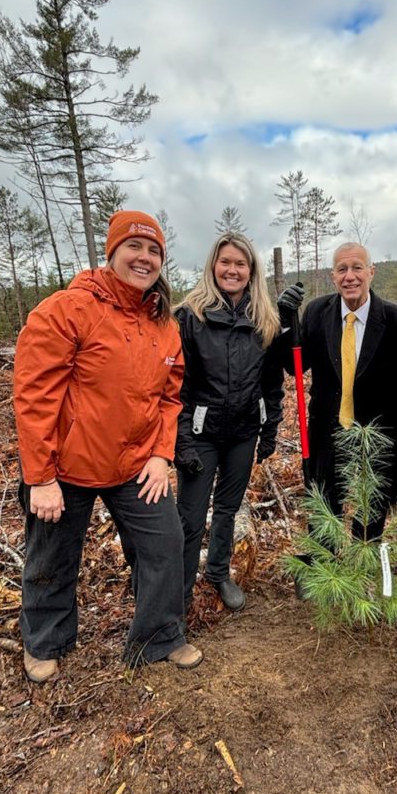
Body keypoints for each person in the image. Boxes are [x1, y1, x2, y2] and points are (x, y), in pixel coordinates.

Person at [13, 210, 202, 684]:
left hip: (136, 464)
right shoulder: (66, 309)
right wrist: (40, 477)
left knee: (165, 544)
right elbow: (34, 396)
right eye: (134, 248)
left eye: (154, 251)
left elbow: (169, 396)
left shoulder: (163, 324)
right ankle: (45, 642)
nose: (144, 258)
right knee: (52, 558)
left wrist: (160, 454)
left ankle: (158, 637)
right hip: (67, 467)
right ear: (112, 252)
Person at [277, 242, 397, 540]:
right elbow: (295, 366)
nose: (350, 276)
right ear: (333, 276)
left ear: (371, 271)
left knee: (371, 517)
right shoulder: (318, 312)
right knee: (324, 512)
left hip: (378, 438)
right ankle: (324, 572)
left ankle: (360, 570)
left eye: (357, 267)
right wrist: (285, 320)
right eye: (342, 269)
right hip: (327, 435)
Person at [175, 232, 284, 614]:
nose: (232, 270)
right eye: (226, 263)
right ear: (213, 266)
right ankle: (180, 588)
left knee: (227, 507)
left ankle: (218, 572)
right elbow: (178, 386)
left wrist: (269, 429)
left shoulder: (264, 319)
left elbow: (271, 384)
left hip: (242, 432)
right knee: (189, 516)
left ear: (251, 270)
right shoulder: (190, 316)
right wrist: (182, 439)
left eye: (241, 263)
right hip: (201, 433)